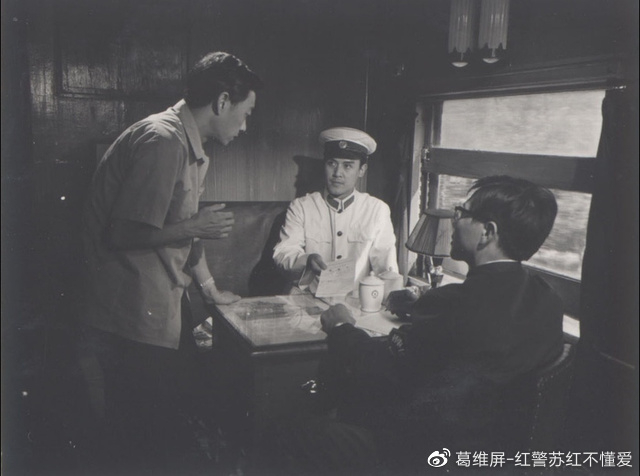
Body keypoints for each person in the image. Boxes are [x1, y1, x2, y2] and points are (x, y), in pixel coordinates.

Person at [266, 175, 564, 474]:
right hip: (497, 460)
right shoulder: (547, 298)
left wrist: (341, 327)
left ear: (487, 232)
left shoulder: (449, 304)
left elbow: (379, 371)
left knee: (285, 427)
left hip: (421, 457)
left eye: (462, 212)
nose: (454, 219)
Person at [79, 51, 262, 471]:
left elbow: (180, 226)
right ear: (222, 102)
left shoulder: (186, 143)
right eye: (246, 114)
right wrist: (195, 225)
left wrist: (211, 289)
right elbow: (121, 233)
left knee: (172, 426)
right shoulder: (163, 141)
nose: (245, 126)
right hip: (129, 316)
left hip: (155, 307)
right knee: (147, 445)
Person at [272, 127, 398, 293]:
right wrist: (307, 260)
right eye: (332, 163)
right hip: (309, 300)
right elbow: (283, 252)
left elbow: (387, 268)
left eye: (348, 166)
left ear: (361, 170)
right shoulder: (301, 207)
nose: (337, 173)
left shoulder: (377, 210)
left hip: (356, 302)